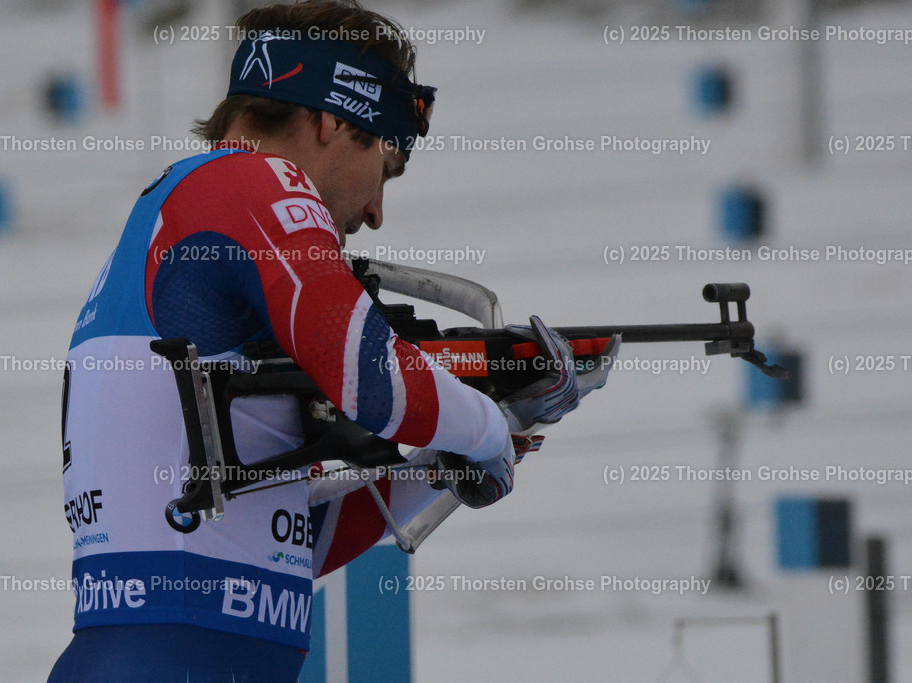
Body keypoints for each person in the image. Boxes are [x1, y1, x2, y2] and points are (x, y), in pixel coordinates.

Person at [50, 1, 614, 680]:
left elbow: (290, 543)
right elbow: (362, 369)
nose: (376, 211)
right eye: (387, 161)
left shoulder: (188, 213)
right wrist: (484, 430)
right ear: (332, 120)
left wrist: (447, 457)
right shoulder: (253, 178)